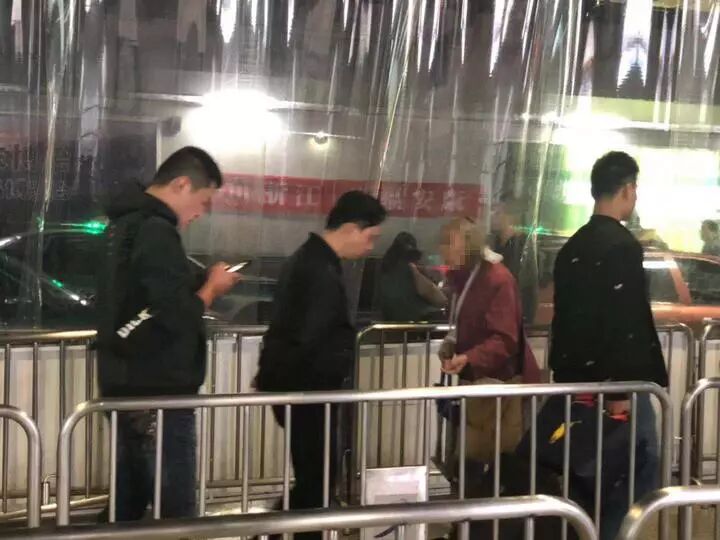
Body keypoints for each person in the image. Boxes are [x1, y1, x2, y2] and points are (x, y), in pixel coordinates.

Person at [95, 146, 240, 521]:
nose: (201, 213)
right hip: (158, 390)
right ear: (181, 185)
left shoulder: (123, 226)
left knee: (129, 497)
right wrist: (212, 289)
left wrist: (198, 280)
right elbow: (173, 313)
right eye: (203, 201)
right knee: (174, 507)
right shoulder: (157, 232)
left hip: (123, 381)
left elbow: (145, 299)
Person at [549, 151, 667, 540]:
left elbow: (567, 318)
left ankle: (586, 530)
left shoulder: (573, 246)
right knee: (640, 464)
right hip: (618, 383)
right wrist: (621, 390)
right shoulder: (621, 246)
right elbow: (625, 320)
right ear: (627, 189)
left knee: (586, 466)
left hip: (576, 380)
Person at [256, 190, 386, 540]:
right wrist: (332, 371)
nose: (371, 247)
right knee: (317, 481)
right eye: (370, 237)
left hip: (299, 390)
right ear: (351, 228)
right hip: (308, 393)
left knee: (314, 480)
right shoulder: (318, 271)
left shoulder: (311, 260)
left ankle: (270, 532)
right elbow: (307, 339)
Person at [438, 217, 539, 465]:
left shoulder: (497, 279)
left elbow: (505, 339)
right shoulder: (465, 278)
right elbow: (467, 321)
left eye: (449, 242)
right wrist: (452, 343)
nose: (442, 249)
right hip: (478, 384)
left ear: (469, 244)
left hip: (501, 387)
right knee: (472, 457)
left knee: (496, 461)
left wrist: (469, 357)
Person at [490, 197, 539, 323]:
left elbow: (524, 285)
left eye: (497, 212)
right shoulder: (494, 244)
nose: (492, 216)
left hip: (514, 316)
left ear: (510, 217)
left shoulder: (523, 247)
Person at [378, 231, 446, 321]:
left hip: (390, 317)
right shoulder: (411, 268)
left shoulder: (385, 267)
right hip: (416, 317)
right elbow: (434, 296)